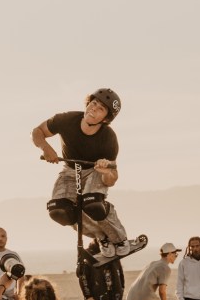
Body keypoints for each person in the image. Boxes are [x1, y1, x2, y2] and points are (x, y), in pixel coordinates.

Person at [32, 89, 141, 263]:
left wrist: (106, 172)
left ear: (105, 119)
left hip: (95, 170)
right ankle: (101, 236)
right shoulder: (66, 119)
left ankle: (119, 238)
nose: (93, 109)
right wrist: (45, 148)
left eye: (100, 109)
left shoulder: (108, 138)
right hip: (69, 169)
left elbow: (112, 177)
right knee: (61, 211)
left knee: (93, 204)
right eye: (93, 103)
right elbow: (37, 131)